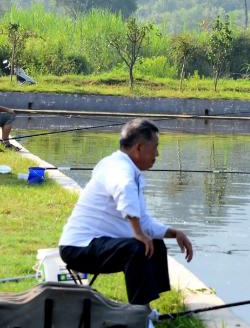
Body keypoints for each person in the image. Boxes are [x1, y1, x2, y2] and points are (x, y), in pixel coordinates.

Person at [59, 118, 194, 310]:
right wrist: (137, 232)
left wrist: (174, 233)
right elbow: (124, 189)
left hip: (99, 242)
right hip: (79, 247)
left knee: (153, 242)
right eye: (155, 147)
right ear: (139, 148)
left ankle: (147, 308)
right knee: (137, 248)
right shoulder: (118, 168)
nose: (157, 154)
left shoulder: (128, 169)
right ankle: (138, 313)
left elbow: (144, 221)